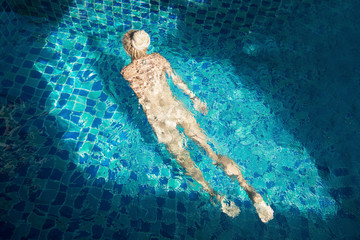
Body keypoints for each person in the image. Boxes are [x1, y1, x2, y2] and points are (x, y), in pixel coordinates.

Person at [121, 29, 274, 223]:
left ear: (128, 49)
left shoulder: (127, 73)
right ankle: (248, 188)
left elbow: (143, 100)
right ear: (147, 45)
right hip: (177, 110)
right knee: (211, 152)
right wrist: (195, 99)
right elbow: (176, 81)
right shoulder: (159, 59)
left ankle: (213, 193)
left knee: (184, 159)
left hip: (161, 121)